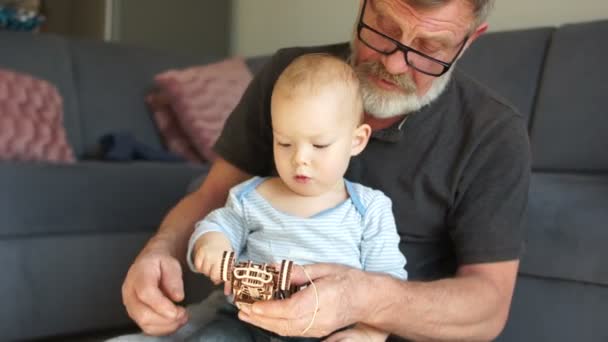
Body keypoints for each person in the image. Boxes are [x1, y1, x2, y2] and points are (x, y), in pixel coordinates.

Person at [120, 0, 531, 340]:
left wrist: (367, 304)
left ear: (467, 42)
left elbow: (488, 305)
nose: (395, 63)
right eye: (383, 28)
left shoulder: (491, 133)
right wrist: (160, 250)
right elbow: (214, 197)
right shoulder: (289, 75)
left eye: (428, 49)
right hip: (244, 319)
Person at [184, 53, 406, 342]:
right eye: (285, 143)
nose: (300, 158)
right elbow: (217, 226)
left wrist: (370, 333)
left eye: (319, 144)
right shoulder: (251, 196)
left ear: (356, 141)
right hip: (248, 322)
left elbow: (387, 284)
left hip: (328, 329)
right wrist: (212, 244)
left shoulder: (369, 208)